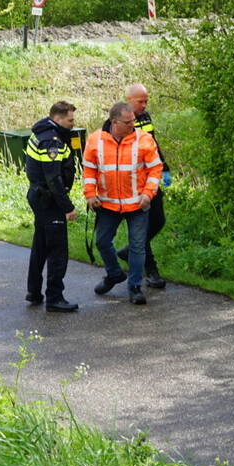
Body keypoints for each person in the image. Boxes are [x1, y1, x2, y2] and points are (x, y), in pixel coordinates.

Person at [83, 102, 164, 305]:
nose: (132, 125)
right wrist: (90, 194)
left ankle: (135, 287)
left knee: (137, 246)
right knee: (102, 241)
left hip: (138, 204)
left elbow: (155, 169)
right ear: (114, 122)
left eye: (133, 121)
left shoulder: (144, 139)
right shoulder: (95, 140)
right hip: (108, 204)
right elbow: (90, 169)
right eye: (127, 122)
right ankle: (114, 274)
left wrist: (148, 194)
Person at [113, 83, 170, 288]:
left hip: (150, 179)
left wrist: (164, 167)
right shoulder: (116, 122)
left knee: (158, 220)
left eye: (146, 101)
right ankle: (151, 271)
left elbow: (153, 144)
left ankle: (130, 251)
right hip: (131, 184)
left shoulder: (145, 118)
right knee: (141, 225)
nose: (144, 105)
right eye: (140, 101)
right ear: (129, 100)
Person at [24, 101, 79, 312]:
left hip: (40, 197)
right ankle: (55, 298)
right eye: (70, 120)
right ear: (57, 118)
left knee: (40, 246)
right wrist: (67, 207)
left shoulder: (43, 132)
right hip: (49, 201)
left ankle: (34, 291)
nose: (73, 124)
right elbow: (53, 178)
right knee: (57, 251)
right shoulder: (51, 141)